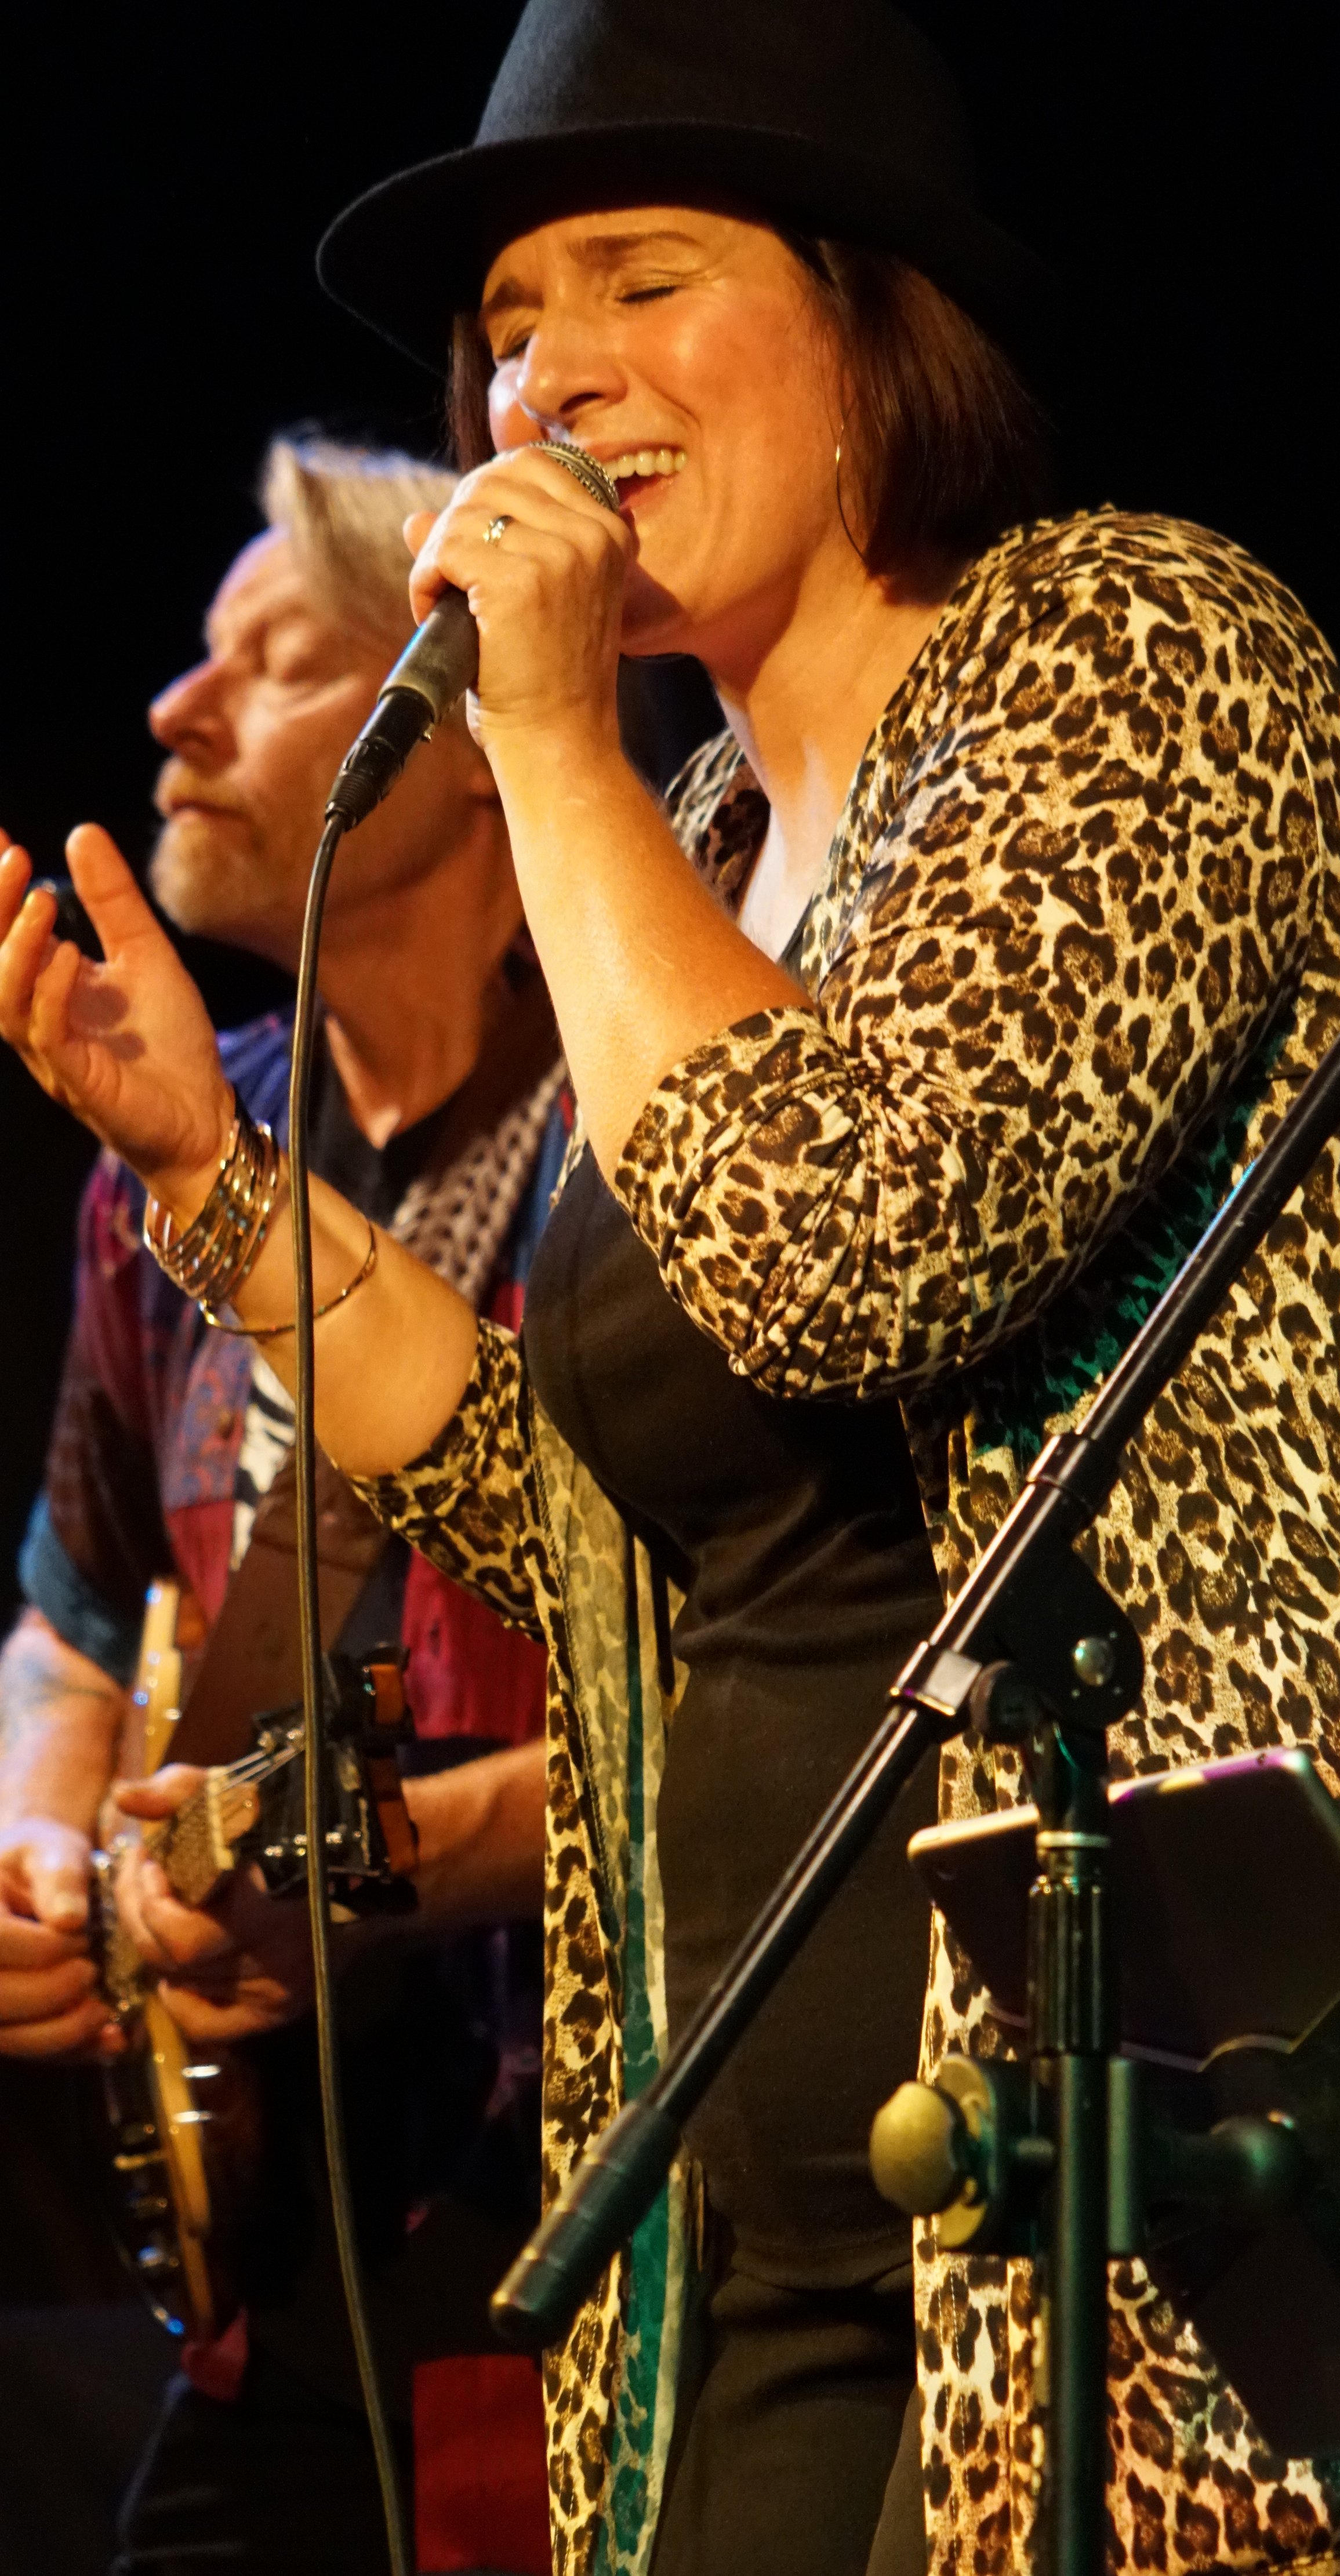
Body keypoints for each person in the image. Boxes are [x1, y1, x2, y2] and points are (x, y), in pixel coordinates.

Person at [4, 2, 1340, 2572]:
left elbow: (837, 1242)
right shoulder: (689, 822)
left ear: (880, 321)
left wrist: (539, 750)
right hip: (738, 2222)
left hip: (1118, 2212)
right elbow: (564, 1490)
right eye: (513, 326)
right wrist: (213, 1179)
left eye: (639, 282)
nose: (546, 377)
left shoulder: (1131, 661)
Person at [0, 437, 563, 2576]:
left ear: (473, 737)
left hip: (558, 2220)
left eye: (281, 661)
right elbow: (67, 1619)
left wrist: (389, 1858)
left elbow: (734, 1687)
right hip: (279, 2264)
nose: (176, 709)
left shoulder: (631, 1135)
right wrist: (51, 1855)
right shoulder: (178, 1139)